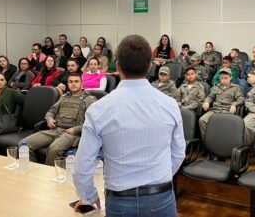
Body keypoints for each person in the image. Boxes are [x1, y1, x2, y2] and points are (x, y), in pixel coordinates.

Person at [72, 34, 185, 216]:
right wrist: (158, 178)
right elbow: (178, 153)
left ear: (117, 66)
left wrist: (89, 196)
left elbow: (82, 166)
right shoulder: (169, 104)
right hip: (161, 197)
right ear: (150, 66)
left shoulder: (98, 109)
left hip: (119, 200)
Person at [21, 73, 96, 166]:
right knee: (24, 145)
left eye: (76, 81)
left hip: (72, 134)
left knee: (54, 149)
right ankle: (33, 171)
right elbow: (51, 111)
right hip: (55, 129)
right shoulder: (64, 97)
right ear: (67, 84)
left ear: (82, 83)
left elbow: (93, 121)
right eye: (70, 82)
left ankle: (51, 177)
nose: (73, 84)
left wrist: (76, 129)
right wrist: (49, 119)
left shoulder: (89, 99)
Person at [199, 68, 244, 139]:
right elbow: (210, 97)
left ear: (230, 78)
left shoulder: (236, 88)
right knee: (202, 120)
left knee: (222, 124)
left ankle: (222, 141)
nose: (224, 80)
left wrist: (234, 104)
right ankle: (207, 140)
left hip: (227, 110)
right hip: (215, 110)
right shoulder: (216, 87)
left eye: (226, 78)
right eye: (222, 78)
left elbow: (241, 99)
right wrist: (207, 101)